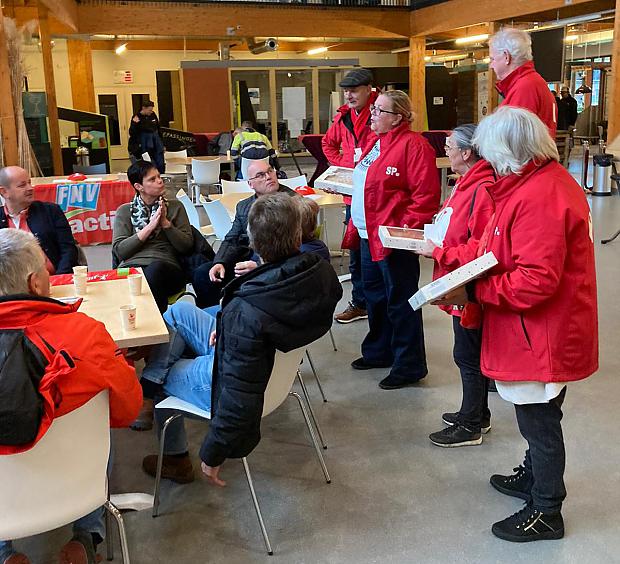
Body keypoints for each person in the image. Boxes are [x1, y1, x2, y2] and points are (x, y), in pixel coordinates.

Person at [437, 106, 598, 542]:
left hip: (539, 330)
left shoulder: (540, 195)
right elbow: (501, 246)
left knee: (538, 420)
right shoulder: (532, 183)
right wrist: (458, 265)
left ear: (509, 151)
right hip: (534, 327)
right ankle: (534, 479)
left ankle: (547, 510)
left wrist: (472, 292)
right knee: (539, 414)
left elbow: (534, 280)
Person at [140, 192, 342, 484]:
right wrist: (258, 275)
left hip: (230, 379)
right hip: (271, 370)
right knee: (180, 312)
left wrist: (213, 452)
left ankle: (176, 458)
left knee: (160, 371)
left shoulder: (246, 311)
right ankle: (157, 379)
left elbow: (238, 392)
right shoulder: (319, 272)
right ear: (298, 235)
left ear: (255, 243)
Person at [0, 229, 142, 564]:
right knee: (98, 433)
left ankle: (5, 552)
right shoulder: (87, 335)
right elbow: (128, 410)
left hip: (5, 501)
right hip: (75, 486)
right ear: (36, 283)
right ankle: (86, 536)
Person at [344, 90, 440, 390]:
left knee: (400, 301)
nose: (373, 114)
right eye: (374, 108)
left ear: (398, 117)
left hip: (391, 239)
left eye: (380, 110)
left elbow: (425, 197)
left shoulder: (414, 146)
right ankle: (379, 351)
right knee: (375, 296)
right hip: (366, 234)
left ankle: (409, 364)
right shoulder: (375, 142)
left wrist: (401, 233)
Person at [415, 125, 495, 447]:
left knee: (467, 354)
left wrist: (439, 251)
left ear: (466, 152)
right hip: (457, 277)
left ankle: (470, 424)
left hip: (468, 283)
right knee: (468, 351)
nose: (445, 151)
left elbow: (481, 248)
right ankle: (479, 414)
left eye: (449, 146)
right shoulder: (465, 184)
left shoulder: (482, 188)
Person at [191, 160, 296, 308]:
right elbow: (232, 239)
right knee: (204, 274)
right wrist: (220, 262)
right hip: (246, 260)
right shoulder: (244, 206)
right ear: (250, 184)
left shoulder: (293, 203)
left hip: (277, 266)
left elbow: (297, 249)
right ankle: (216, 320)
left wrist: (260, 265)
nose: (268, 177)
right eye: (260, 175)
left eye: (270, 171)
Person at [322, 68, 378, 324]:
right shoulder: (343, 118)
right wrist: (341, 168)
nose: (349, 95)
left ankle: (380, 304)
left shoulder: (382, 114)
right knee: (356, 254)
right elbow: (328, 143)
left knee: (377, 257)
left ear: (369, 89)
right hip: (352, 198)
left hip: (378, 196)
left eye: (354, 90)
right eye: (346, 91)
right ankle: (360, 302)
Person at [112, 160, 193, 314]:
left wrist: (166, 224)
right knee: (138, 277)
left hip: (167, 267)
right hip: (132, 268)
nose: (160, 181)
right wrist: (149, 227)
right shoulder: (124, 211)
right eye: (152, 179)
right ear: (138, 187)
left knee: (154, 271)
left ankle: (155, 323)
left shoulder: (175, 207)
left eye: (159, 176)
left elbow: (186, 246)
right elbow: (120, 251)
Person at [0, 166, 78, 275]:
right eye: (22, 185)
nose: (30, 188)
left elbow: (69, 250)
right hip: (12, 287)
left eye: (29, 183)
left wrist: (60, 278)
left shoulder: (51, 211)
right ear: (4, 192)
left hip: (54, 278)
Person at [488, 28, 557, 136]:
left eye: (492, 59)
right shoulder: (532, 82)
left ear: (506, 57)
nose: (491, 65)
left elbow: (513, 140)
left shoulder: (525, 88)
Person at [128, 100, 165, 173]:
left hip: (155, 143)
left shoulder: (153, 115)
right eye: (149, 110)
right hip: (144, 144)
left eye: (152, 110)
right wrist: (136, 124)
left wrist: (162, 144)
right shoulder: (137, 117)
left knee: (160, 163)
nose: (151, 112)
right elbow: (132, 132)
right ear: (143, 108)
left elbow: (158, 128)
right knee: (149, 164)